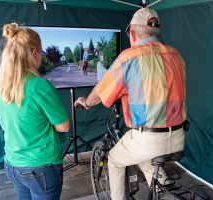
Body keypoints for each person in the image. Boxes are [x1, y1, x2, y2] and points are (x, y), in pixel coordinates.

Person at [74, 7, 186, 200]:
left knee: (116, 160)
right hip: (178, 136)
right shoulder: (176, 54)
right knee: (144, 161)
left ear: (133, 32)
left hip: (149, 139)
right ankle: (167, 193)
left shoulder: (130, 56)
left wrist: (86, 101)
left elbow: (101, 91)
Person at [0, 23, 69, 200]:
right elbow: (63, 126)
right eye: (41, 52)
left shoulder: (0, 86)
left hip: (12, 164)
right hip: (40, 167)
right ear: (34, 53)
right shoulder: (39, 86)